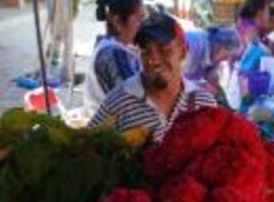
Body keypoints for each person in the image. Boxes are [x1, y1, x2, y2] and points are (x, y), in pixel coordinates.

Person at [89, 13, 217, 142]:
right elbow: (85, 149)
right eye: (145, 51)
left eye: (164, 50)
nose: (153, 60)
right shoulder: (118, 102)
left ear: (182, 52)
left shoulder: (203, 103)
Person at [84, 0, 145, 115]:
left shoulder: (122, 49)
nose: (143, 25)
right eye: (139, 19)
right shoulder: (111, 54)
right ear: (118, 22)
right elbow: (133, 102)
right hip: (108, 130)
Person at [184, 27, 240, 107]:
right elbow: (177, 77)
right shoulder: (194, 44)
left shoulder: (212, 57)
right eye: (227, 55)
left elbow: (213, 81)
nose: (227, 60)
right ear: (220, 47)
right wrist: (201, 88)